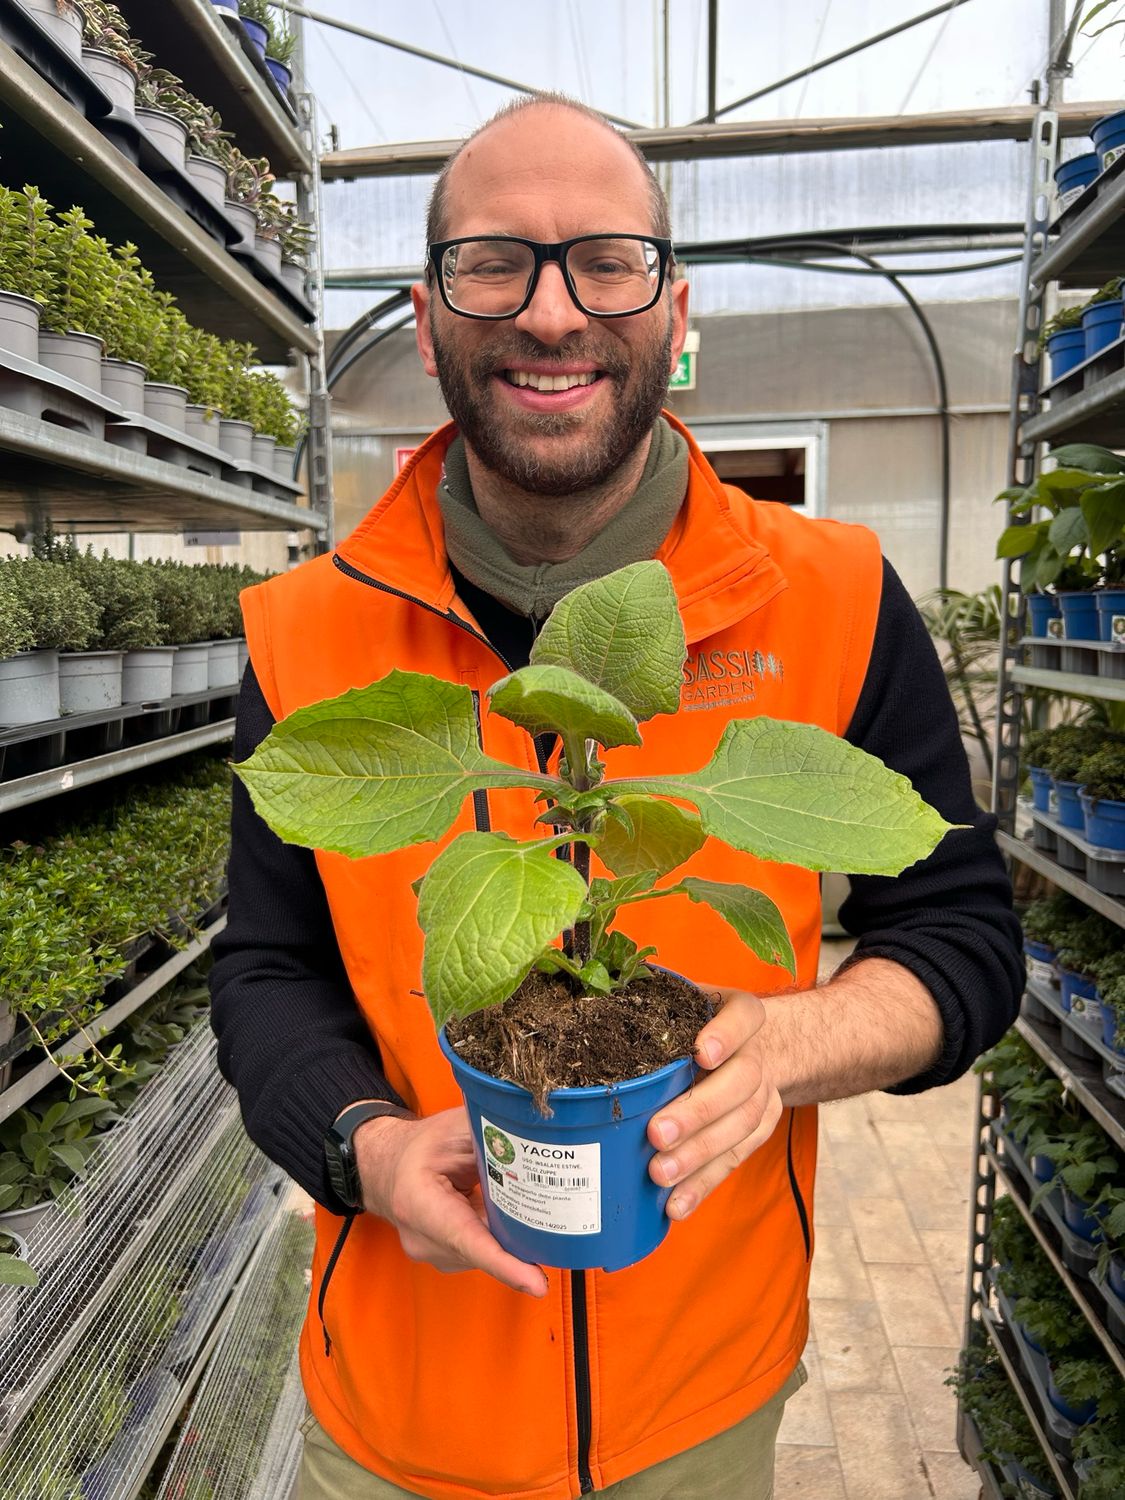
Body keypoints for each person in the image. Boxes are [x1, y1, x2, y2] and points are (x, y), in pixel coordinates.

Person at [210, 93, 1023, 1500]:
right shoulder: (308, 634)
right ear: (425, 311)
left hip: (696, 1404)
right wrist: (368, 1147)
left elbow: (960, 942)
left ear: (673, 306)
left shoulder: (826, 595)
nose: (548, 313)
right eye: (491, 261)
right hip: (403, 1413)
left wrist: (786, 1044)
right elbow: (266, 972)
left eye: (605, 260)